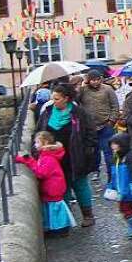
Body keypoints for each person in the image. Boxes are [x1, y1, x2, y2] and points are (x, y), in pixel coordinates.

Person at [37, 83, 97, 226]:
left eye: (57, 98)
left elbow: (90, 133)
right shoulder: (48, 112)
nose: (54, 101)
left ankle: (88, 215)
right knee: (62, 188)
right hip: (54, 158)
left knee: (80, 185)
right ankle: (64, 219)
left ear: (66, 99)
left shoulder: (79, 113)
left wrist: (87, 151)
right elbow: (39, 131)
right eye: (53, 98)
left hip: (75, 156)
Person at [16, 130, 76, 236]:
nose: (35, 145)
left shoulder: (48, 157)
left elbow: (41, 173)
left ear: (46, 143)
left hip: (53, 188)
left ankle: (60, 229)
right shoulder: (46, 155)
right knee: (53, 209)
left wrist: (28, 161)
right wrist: (23, 160)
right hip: (53, 187)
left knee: (55, 210)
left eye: (37, 142)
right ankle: (57, 228)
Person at [77, 69, 119, 179]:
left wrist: (111, 121)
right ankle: (95, 169)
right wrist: (81, 88)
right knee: (93, 151)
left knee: (108, 151)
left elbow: (115, 105)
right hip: (90, 127)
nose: (95, 82)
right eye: (92, 80)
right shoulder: (84, 90)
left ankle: (111, 174)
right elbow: (76, 101)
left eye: (97, 80)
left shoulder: (108, 89)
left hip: (106, 125)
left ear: (100, 79)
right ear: (88, 80)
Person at [106, 132, 132, 237]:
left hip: (127, 188)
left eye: (115, 144)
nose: (112, 146)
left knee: (124, 208)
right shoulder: (117, 157)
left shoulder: (129, 157)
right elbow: (114, 174)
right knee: (129, 206)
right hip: (121, 188)